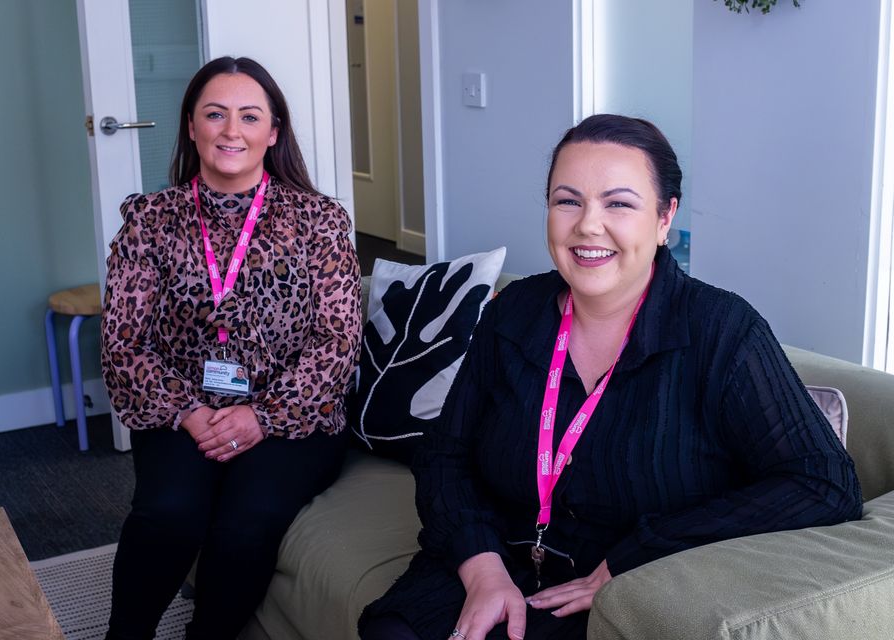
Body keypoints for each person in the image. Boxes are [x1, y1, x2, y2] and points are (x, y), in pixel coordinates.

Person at [359, 114, 862, 640]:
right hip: (490, 559)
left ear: (665, 218)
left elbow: (824, 482)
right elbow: (444, 453)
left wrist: (643, 552)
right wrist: (482, 567)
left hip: (623, 593)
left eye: (618, 203)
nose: (587, 225)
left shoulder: (721, 330)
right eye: (567, 200)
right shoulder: (515, 313)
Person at [100, 56, 361, 640]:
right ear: (191, 126)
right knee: (168, 512)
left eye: (249, 116)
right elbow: (123, 342)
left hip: (291, 418)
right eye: (215, 114)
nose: (231, 131)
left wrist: (260, 416)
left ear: (273, 132)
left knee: (247, 523)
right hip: (179, 411)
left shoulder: (319, 220)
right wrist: (193, 415)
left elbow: (338, 342)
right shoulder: (148, 220)